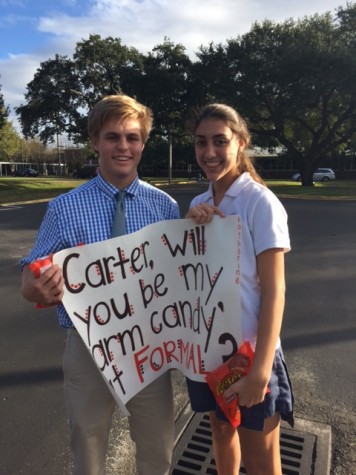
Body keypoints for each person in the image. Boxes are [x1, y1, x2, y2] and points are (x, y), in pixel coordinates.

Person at [20, 94, 180, 475]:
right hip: (87, 345)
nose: (123, 147)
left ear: (143, 142)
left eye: (132, 137)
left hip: (149, 346)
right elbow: (32, 271)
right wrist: (34, 285)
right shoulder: (64, 207)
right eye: (112, 137)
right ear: (95, 141)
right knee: (87, 445)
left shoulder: (165, 208)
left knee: (158, 446)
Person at [185, 103, 294, 475]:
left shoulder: (259, 202)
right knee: (219, 430)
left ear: (241, 143)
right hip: (212, 351)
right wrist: (187, 231)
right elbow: (190, 279)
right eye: (201, 142)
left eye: (220, 141)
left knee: (261, 458)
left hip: (251, 354)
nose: (209, 152)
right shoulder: (198, 203)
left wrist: (261, 371)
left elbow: (275, 290)